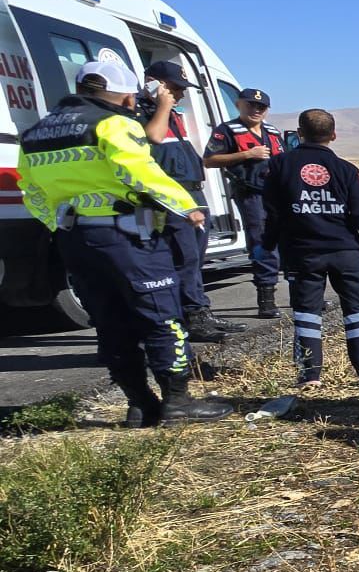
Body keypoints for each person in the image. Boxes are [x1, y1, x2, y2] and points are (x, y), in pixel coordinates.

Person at [17, 60, 231, 425]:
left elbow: (31, 190)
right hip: (128, 236)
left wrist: (58, 223)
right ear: (126, 96)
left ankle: (140, 404)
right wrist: (186, 206)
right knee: (161, 315)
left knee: (109, 320)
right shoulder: (113, 123)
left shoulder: (36, 132)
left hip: (75, 238)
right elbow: (137, 171)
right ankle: (177, 402)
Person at [258, 109, 359, 388]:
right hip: (345, 253)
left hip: (303, 253)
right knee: (356, 311)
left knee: (307, 314)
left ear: (299, 134)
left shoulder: (280, 165)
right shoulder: (347, 170)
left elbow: (273, 214)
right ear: (334, 135)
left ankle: (310, 376)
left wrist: (266, 246)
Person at [138, 61, 241, 343]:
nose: (180, 94)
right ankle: (193, 316)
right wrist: (162, 105)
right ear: (154, 83)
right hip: (172, 194)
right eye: (174, 88)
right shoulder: (141, 112)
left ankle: (200, 310)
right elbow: (153, 139)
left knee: (195, 257)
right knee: (184, 257)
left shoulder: (171, 113)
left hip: (193, 191)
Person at [204, 88, 285, 318]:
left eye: (261, 107)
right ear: (239, 104)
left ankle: (303, 294)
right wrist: (247, 155)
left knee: (290, 242)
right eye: (251, 105)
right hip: (252, 195)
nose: (256, 110)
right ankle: (266, 299)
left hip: (278, 195)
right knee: (261, 243)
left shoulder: (272, 132)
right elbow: (209, 160)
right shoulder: (227, 131)